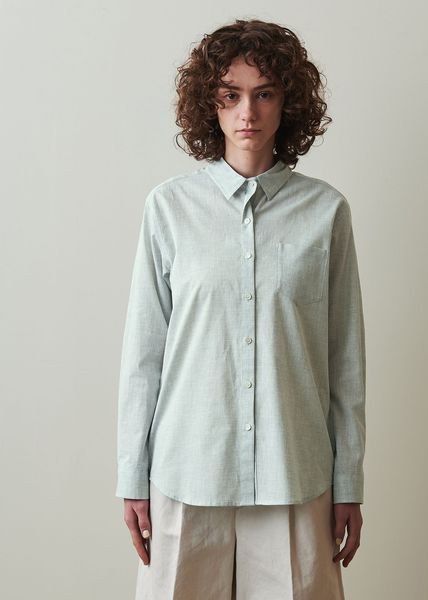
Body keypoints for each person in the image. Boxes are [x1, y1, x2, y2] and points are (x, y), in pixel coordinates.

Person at [116, 18, 366, 600]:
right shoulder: (169, 209)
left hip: (294, 471)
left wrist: (349, 482)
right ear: (210, 104)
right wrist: (132, 475)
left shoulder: (326, 213)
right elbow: (143, 355)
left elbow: (345, 361)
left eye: (264, 93)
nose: (247, 112)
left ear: (288, 103)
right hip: (186, 471)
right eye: (230, 95)